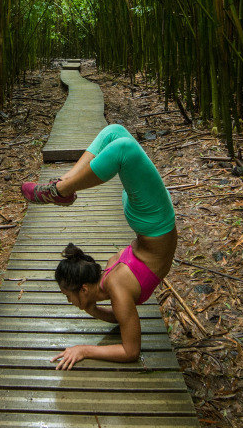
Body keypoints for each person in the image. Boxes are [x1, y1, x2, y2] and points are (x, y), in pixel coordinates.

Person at [20, 124, 177, 370]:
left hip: (153, 221)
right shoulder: (113, 280)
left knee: (117, 138)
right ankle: (60, 188)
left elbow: (129, 346)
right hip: (151, 220)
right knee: (119, 141)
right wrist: (92, 308)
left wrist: (84, 350)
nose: (69, 300)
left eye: (68, 295)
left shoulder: (115, 284)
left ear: (84, 289)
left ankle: (60, 188)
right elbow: (125, 327)